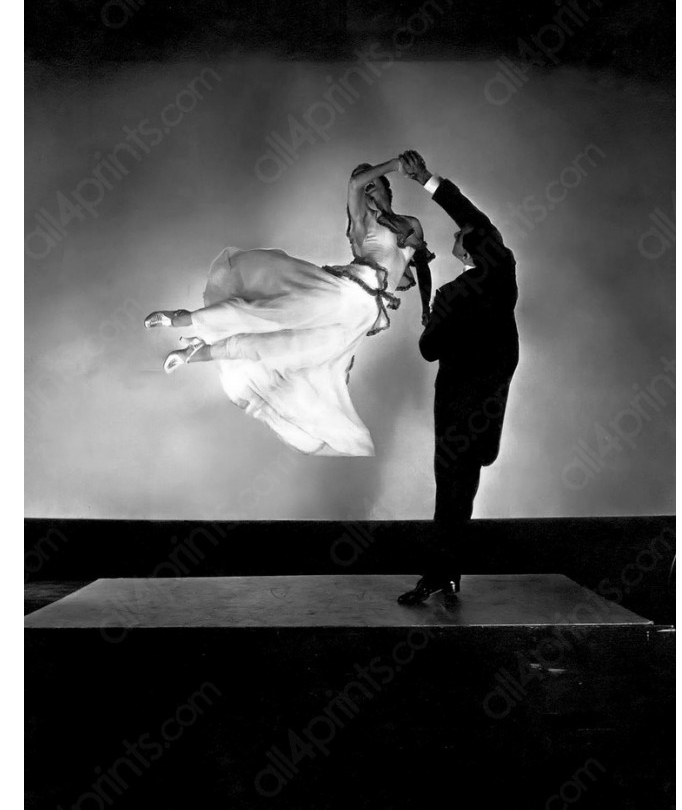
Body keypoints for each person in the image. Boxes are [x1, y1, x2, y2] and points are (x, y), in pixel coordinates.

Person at [144, 159, 435, 457]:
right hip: (345, 292)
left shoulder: (411, 224)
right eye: (366, 189)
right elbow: (354, 184)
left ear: (387, 188)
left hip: (362, 316)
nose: (368, 193)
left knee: (284, 347)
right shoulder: (363, 221)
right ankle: (185, 319)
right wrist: (395, 164)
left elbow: (421, 266)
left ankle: (195, 353)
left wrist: (427, 307)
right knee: (269, 312)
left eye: (374, 185)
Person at [395, 151, 520, 605]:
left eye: (460, 234)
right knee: (459, 497)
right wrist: (428, 181)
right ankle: (446, 574)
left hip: (454, 411)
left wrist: (431, 322)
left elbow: (429, 351)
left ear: (474, 247)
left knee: (449, 495)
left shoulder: (459, 291)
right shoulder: (501, 280)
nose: (454, 233)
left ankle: (439, 574)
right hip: (482, 412)